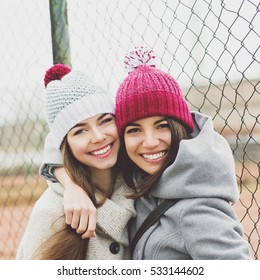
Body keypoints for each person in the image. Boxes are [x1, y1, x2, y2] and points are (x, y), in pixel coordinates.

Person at [39, 47, 251, 260]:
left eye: (161, 126)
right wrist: (71, 185)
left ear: (180, 127)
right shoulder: (136, 176)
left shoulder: (198, 208)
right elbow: (60, 137)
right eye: (134, 130)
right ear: (122, 136)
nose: (149, 142)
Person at [16, 64, 136, 260]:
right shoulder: (50, 213)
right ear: (65, 145)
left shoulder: (140, 184)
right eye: (80, 131)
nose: (98, 137)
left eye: (105, 120)